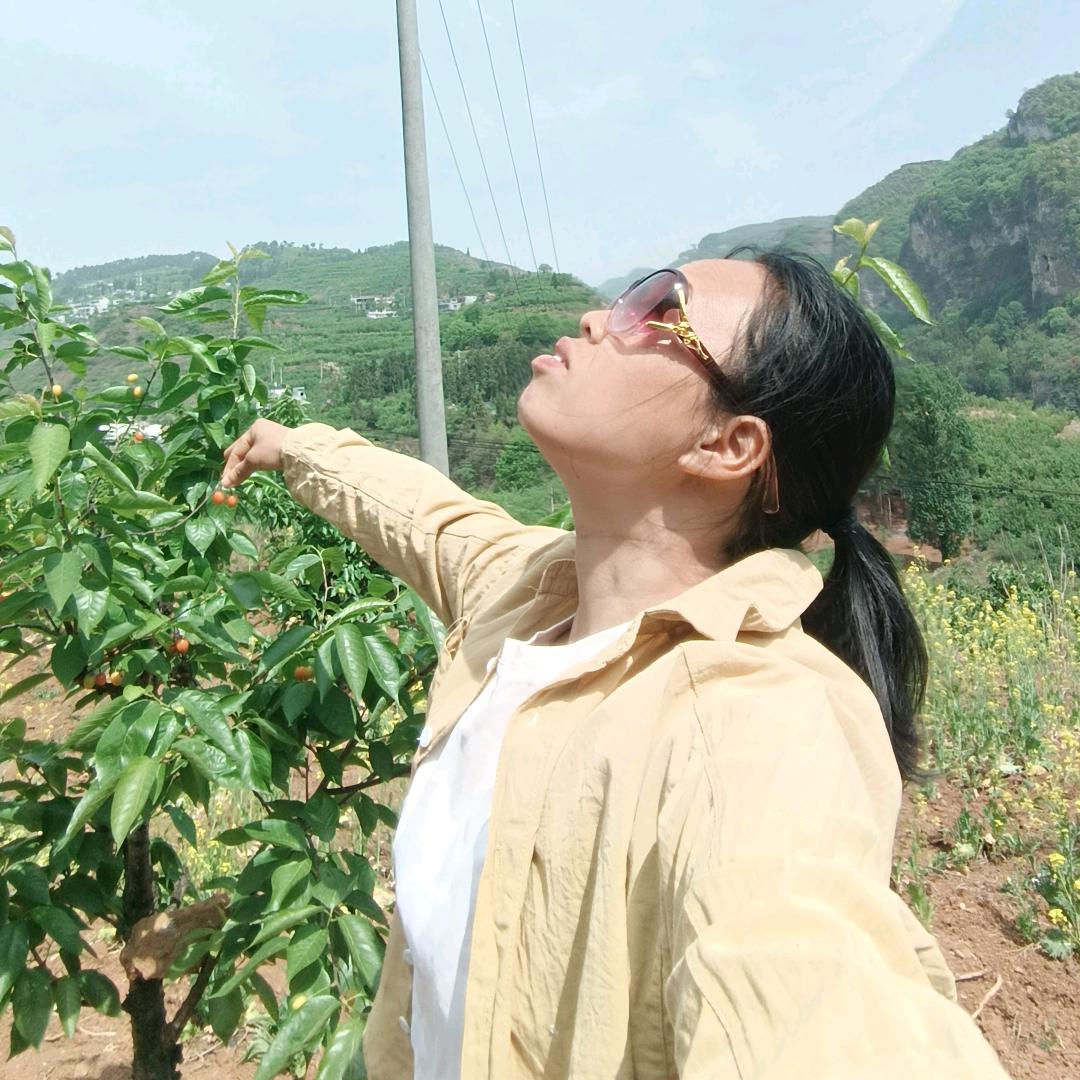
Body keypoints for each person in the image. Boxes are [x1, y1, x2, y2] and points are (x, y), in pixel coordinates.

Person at [220, 253, 1010, 1079]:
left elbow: (809, 990)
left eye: (660, 307)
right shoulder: (533, 595)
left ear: (727, 444)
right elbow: (431, 520)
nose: (599, 317)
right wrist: (293, 447)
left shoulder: (748, 724)